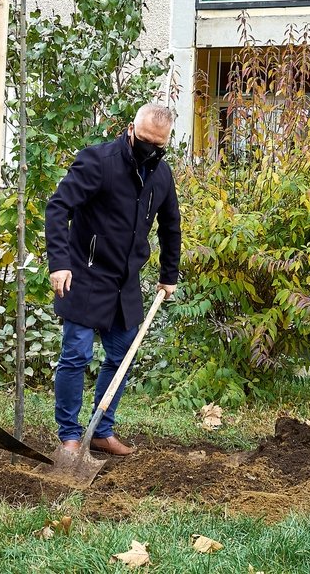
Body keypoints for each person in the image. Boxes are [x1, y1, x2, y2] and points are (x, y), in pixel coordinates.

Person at [45, 104, 181, 456]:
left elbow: (170, 226)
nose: (150, 149)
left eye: (158, 145)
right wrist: (59, 263)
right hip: (85, 274)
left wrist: (169, 275)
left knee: (122, 356)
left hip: (125, 282)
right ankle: (70, 436)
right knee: (75, 355)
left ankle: (101, 431)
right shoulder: (98, 161)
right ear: (131, 130)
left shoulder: (161, 176)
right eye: (145, 141)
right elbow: (59, 207)